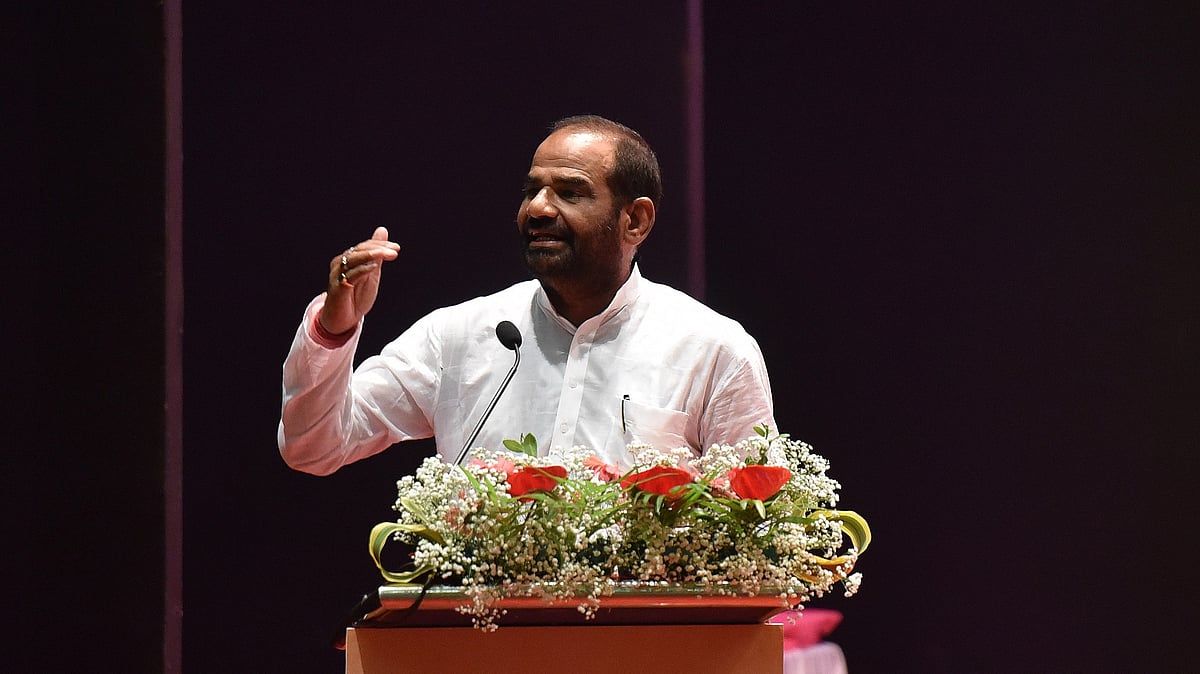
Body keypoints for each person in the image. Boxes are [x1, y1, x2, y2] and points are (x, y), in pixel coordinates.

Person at [279, 115, 775, 475]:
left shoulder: (711, 349)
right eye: (532, 190)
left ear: (636, 220)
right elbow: (315, 447)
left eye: (570, 192)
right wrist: (333, 330)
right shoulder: (460, 336)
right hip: (483, 620)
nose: (537, 208)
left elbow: (757, 529)